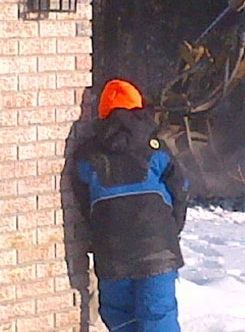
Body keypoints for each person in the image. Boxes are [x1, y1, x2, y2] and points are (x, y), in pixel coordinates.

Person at [73, 79, 190, 331]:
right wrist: (172, 230)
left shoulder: (86, 155)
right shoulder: (155, 147)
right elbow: (180, 190)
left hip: (112, 255)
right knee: (158, 319)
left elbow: (84, 204)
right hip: (158, 253)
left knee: (121, 318)